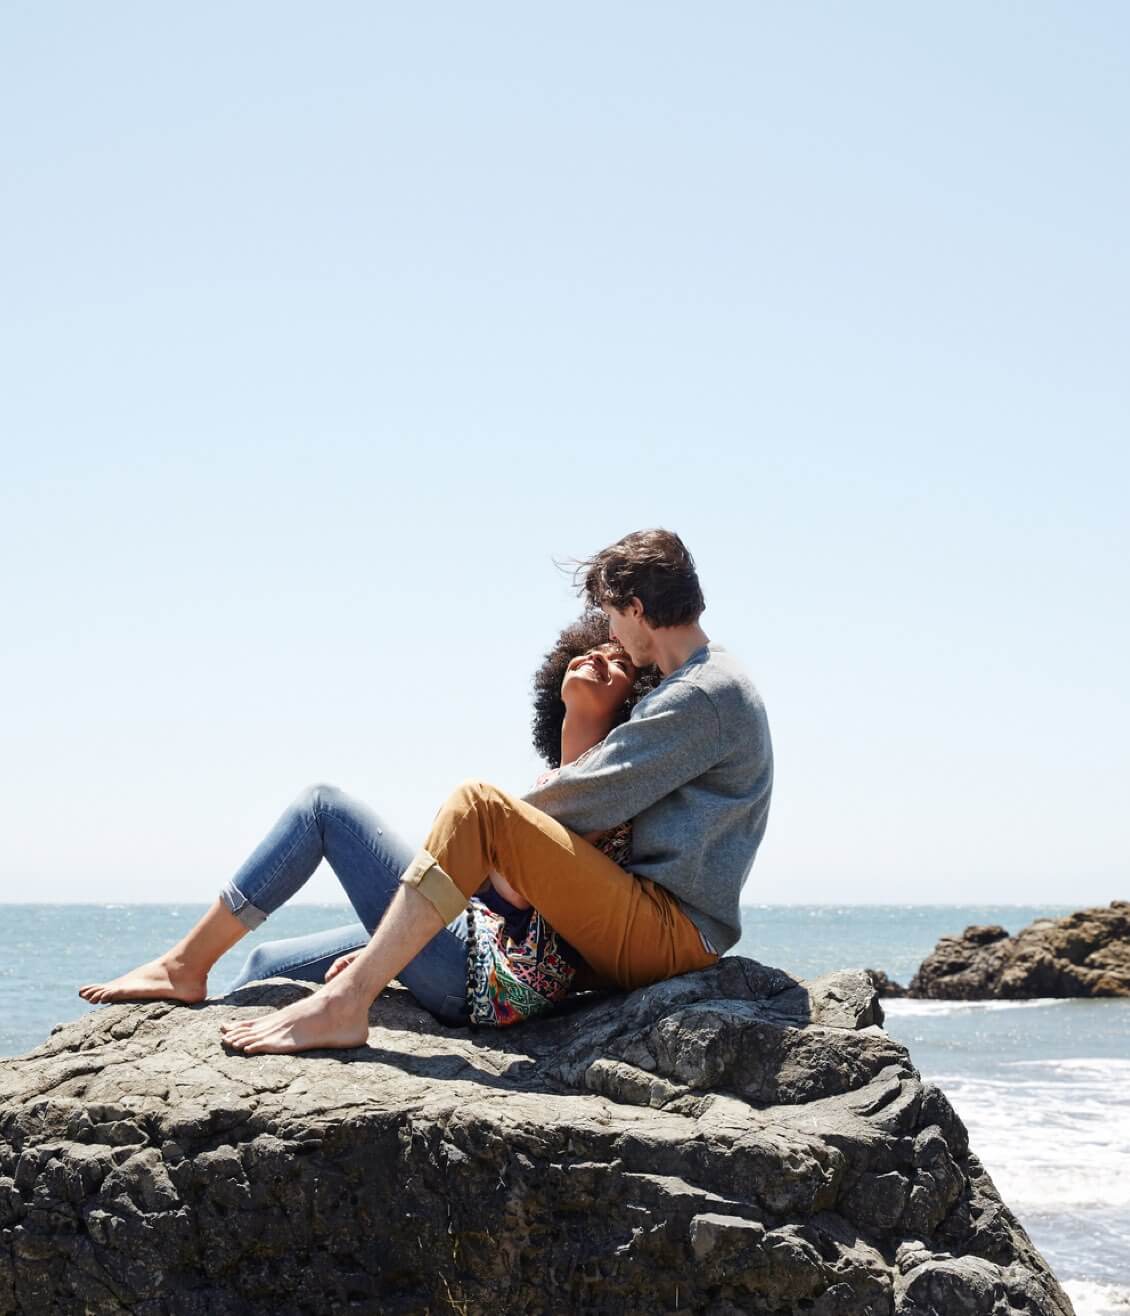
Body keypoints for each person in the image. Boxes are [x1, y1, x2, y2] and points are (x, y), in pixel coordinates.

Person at [214, 528, 773, 1055]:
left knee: (477, 807)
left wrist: (475, 841)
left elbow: (584, 801)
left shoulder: (702, 693)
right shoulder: (701, 686)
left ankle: (346, 1003)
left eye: (609, 614)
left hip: (671, 928)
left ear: (635, 608)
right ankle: (223, 993)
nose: (611, 633)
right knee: (268, 964)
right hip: (655, 923)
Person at [77, 613, 656, 1028]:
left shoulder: (609, 789)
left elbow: (514, 893)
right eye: (593, 649)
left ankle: (184, 967)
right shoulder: (554, 784)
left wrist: (400, 951)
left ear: (637, 698)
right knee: (264, 967)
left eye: (619, 661)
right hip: (466, 944)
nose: (598, 659)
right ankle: (197, 1021)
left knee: (324, 808)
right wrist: (395, 949)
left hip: (482, 979)